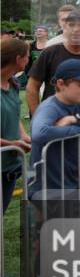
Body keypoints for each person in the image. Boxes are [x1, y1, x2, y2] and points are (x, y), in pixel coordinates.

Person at [27, 58, 80, 203]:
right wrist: (79, 130)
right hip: (47, 188)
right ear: (61, 84)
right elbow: (40, 133)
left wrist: (76, 119)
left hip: (70, 182)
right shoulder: (50, 107)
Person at [27, 10, 80, 115]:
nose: (76, 29)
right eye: (71, 25)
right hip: (54, 118)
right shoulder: (49, 53)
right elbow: (32, 87)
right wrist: (37, 117)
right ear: (64, 28)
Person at [1, 39, 31, 214]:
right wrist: (10, 145)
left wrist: (23, 135)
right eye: (27, 57)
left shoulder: (13, 84)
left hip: (8, 166)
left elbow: (14, 113)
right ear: (18, 59)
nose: (28, 61)